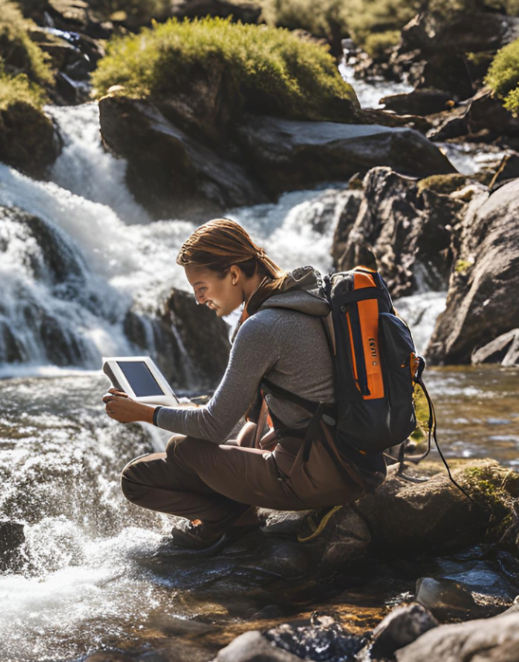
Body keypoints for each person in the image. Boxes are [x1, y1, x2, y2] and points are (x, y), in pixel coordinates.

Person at [104, 219, 384, 555]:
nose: (197, 299)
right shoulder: (306, 301)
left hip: (316, 477)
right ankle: (236, 515)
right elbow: (246, 414)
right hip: (355, 463)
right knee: (247, 432)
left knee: (173, 455)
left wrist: (144, 413)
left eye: (201, 286)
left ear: (234, 275)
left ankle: (226, 519)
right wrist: (195, 412)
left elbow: (212, 427)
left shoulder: (262, 327)